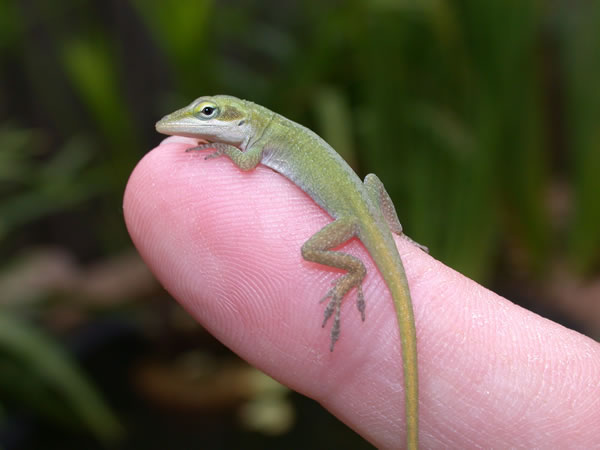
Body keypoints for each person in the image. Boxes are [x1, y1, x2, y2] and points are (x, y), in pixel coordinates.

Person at [124, 137, 600, 448]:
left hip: (351, 225)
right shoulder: (271, 132)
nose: (187, 124)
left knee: (313, 249)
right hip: (366, 213)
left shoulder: (256, 140)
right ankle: (394, 236)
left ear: (237, 118)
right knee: (369, 183)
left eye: (207, 114)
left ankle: (351, 271)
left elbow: (245, 162)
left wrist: (221, 150)